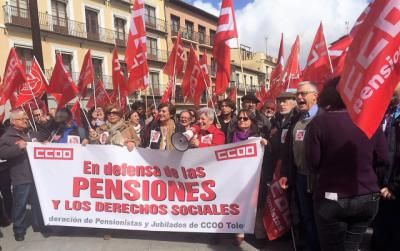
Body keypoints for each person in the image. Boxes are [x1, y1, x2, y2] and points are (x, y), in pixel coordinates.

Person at [306, 78, 389, 251]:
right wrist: (374, 182)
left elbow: (313, 163)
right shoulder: (371, 120)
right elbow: (383, 158)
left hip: (331, 198)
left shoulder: (318, 123)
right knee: (352, 246)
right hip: (367, 196)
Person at [279, 81, 322, 251]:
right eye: (298, 94)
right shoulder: (297, 118)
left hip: (318, 179)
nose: (299, 97)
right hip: (300, 177)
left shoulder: (323, 117)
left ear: (315, 96)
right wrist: (286, 173)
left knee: (319, 217)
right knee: (306, 217)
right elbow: (288, 150)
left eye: (303, 94)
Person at [0, 110, 47, 241]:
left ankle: (39, 225)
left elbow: (43, 135)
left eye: (26, 118)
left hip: (35, 175)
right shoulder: (7, 137)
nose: (26, 120)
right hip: (20, 176)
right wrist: (18, 148)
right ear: (14, 122)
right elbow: (2, 153)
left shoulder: (29, 133)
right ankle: (19, 230)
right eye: (22, 119)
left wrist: (43, 127)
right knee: (20, 205)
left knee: (37, 203)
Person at [371, 86, 400, 250]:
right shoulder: (385, 113)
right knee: (380, 234)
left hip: (393, 190)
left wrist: (394, 186)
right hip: (380, 187)